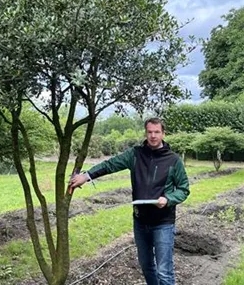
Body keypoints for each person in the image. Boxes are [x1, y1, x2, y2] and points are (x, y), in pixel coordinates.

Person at [69, 117, 190, 285]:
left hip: (163, 222)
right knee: (147, 266)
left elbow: (184, 189)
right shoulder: (135, 154)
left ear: (163, 133)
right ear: (146, 132)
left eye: (157, 132)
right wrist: (86, 176)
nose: (153, 136)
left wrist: (168, 199)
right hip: (140, 222)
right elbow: (111, 164)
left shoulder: (173, 160)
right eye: (149, 132)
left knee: (164, 271)